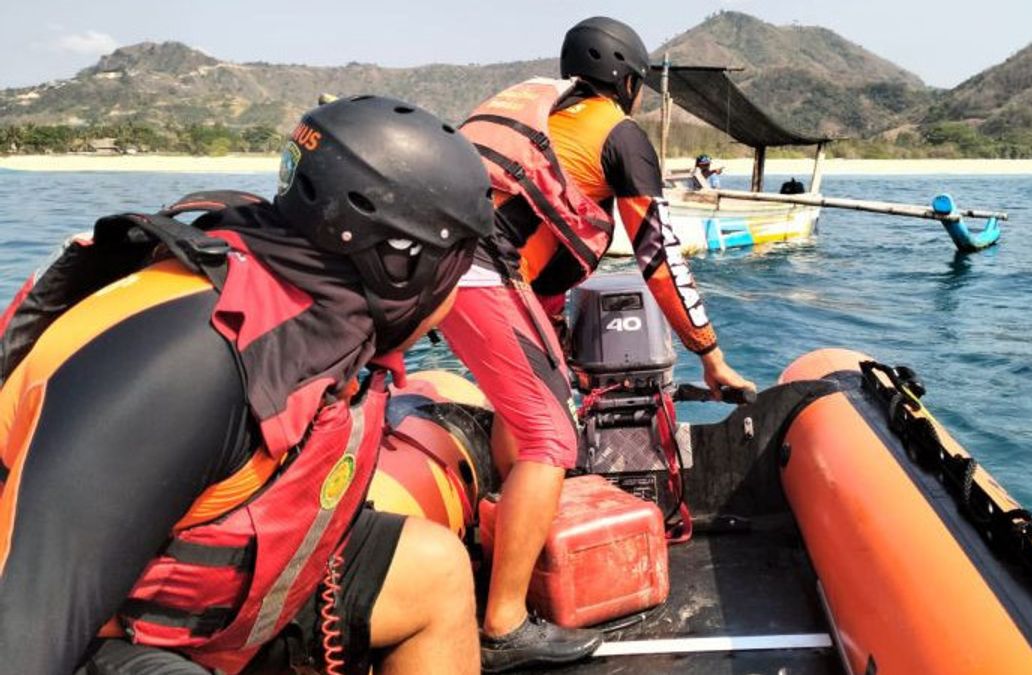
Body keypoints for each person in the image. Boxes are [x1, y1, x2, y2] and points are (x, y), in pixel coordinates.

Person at [0, 96, 494, 674]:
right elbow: (25, 627)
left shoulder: (318, 318)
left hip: (187, 601)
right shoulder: (192, 364)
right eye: (459, 269)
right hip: (67, 630)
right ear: (402, 266)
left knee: (432, 568)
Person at [445, 16, 756, 672]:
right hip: (485, 280)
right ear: (628, 80)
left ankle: (512, 553)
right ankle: (501, 625)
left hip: (444, 272)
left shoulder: (543, 114)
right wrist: (711, 355)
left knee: (525, 410)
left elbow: (531, 222)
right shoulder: (620, 136)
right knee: (550, 437)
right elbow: (660, 257)